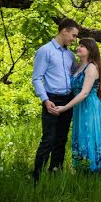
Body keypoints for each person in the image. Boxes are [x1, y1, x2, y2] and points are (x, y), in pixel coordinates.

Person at [31, 18, 80, 182]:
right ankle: (37, 178)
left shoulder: (70, 55)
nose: (74, 40)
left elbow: (75, 75)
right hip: (51, 100)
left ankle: (55, 173)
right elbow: (37, 78)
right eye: (73, 36)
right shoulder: (45, 51)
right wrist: (45, 100)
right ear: (64, 31)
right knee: (49, 139)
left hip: (68, 100)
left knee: (61, 139)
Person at [56, 37, 101, 174]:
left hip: (90, 106)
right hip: (79, 108)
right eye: (78, 45)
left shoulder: (92, 67)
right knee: (80, 136)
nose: (78, 48)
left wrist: (64, 107)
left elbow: (84, 93)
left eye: (82, 46)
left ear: (90, 50)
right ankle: (82, 171)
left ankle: (93, 172)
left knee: (89, 137)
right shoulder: (78, 67)